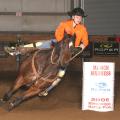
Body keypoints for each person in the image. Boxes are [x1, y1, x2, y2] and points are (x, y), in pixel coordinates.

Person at [40, 7, 89, 96]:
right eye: (78, 17)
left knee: (60, 75)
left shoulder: (83, 29)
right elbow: (58, 34)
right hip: (60, 44)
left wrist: (82, 46)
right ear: (73, 17)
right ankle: (18, 50)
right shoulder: (64, 24)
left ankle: (46, 90)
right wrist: (63, 44)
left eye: (81, 17)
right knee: (43, 44)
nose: (80, 19)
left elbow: (85, 41)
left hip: (69, 52)